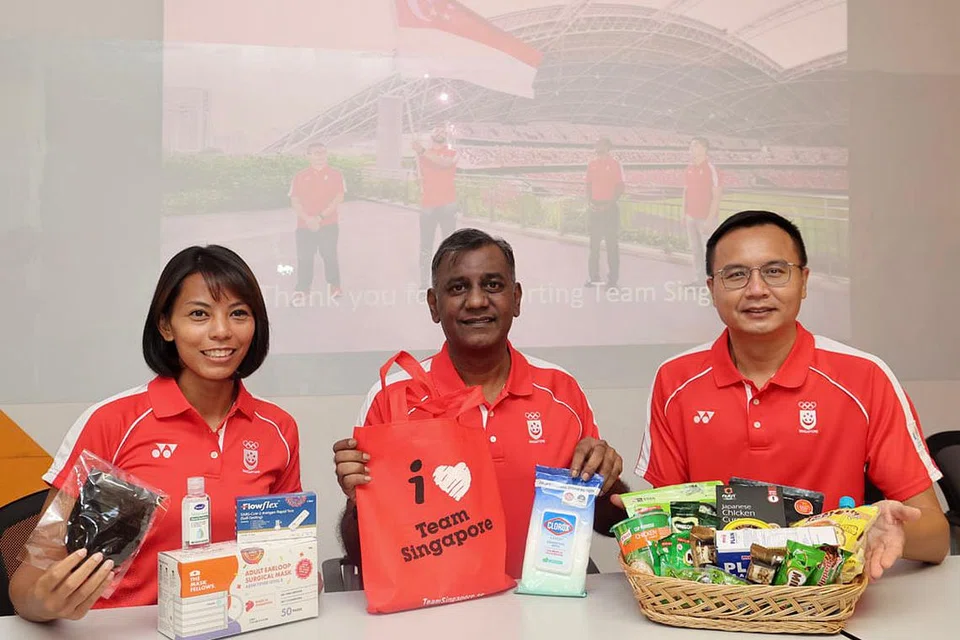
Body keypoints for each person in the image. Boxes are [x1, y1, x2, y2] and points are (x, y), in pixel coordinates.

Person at [633, 210, 950, 580]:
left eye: (775, 271)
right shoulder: (675, 380)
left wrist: (877, 535)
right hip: (716, 600)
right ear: (712, 289)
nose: (756, 289)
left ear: (804, 281)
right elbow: (671, 529)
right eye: (735, 275)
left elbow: (937, 538)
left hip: (827, 598)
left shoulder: (865, 377)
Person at [10, 245, 302, 620]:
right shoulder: (113, 421)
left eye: (238, 314)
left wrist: (297, 577)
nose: (222, 331)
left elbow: (287, 554)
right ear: (166, 325)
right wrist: (44, 603)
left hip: (235, 625)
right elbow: (29, 579)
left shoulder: (277, 428)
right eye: (199, 314)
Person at [333, 228, 627, 578]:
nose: (475, 301)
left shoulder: (561, 391)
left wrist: (607, 481)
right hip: (435, 606)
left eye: (492, 285)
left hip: (544, 604)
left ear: (516, 299)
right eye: (458, 288)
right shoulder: (392, 398)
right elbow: (361, 552)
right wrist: (359, 503)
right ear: (433, 305)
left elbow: (608, 523)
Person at [289, 142, 344, 297]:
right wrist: (308, 219)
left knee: (329, 256)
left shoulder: (336, 175)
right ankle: (302, 289)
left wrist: (319, 218)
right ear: (308, 156)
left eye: (323, 152)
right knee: (305, 258)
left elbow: (338, 198)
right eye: (316, 153)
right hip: (304, 225)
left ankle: (335, 286)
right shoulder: (299, 176)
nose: (320, 156)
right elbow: (295, 201)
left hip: (328, 224)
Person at [413, 126, 458, 289]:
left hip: (447, 203)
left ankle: (450, 281)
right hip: (428, 204)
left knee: (450, 245)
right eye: (436, 131)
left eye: (442, 131)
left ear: (446, 136)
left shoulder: (452, 153)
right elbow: (420, 175)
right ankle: (424, 283)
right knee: (426, 246)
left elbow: (443, 163)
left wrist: (422, 151)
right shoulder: (422, 155)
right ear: (432, 136)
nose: (439, 133)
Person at [585, 138, 624, 288]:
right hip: (595, 210)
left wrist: (609, 204)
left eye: (601, 144)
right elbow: (588, 185)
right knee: (593, 246)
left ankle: (612, 281)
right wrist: (590, 202)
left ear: (608, 147)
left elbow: (620, 187)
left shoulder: (615, 165)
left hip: (609, 210)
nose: (597, 147)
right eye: (596, 145)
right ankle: (594, 277)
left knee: (611, 246)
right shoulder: (592, 165)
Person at [682, 136, 721, 283]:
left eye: (696, 146)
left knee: (709, 253)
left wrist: (710, 220)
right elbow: (685, 192)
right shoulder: (689, 169)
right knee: (695, 251)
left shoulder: (711, 169)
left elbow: (717, 196)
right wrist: (684, 214)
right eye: (691, 146)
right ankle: (698, 281)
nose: (692, 149)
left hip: (706, 218)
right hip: (691, 217)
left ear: (705, 149)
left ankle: (713, 283)